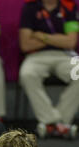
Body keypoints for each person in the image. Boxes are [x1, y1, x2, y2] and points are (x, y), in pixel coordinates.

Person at [19, 0, 79, 139]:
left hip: (65, 55)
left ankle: (54, 124)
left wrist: (42, 36)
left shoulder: (69, 6)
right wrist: (58, 39)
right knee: (27, 74)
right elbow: (25, 44)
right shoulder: (30, 8)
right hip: (36, 56)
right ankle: (57, 123)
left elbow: (71, 42)